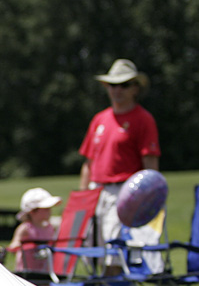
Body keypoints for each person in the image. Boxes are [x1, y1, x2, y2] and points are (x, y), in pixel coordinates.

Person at [78, 59, 161, 250]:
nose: (117, 90)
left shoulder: (143, 119)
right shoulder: (99, 119)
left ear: (135, 89)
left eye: (124, 85)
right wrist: (83, 198)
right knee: (91, 247)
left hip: (124, 191)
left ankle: (113, 279)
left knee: (114, 249)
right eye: (112, 85)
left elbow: (150, 163)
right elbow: (88, 163)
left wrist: (151, 197)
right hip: (95, 191)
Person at [8, 187, 61, 274]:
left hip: (45, 272)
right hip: (27, 273)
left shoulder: (50, 228)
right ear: (32, 211)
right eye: (46, 209)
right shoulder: (25, 228)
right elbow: (14, 246)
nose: (49, 212)